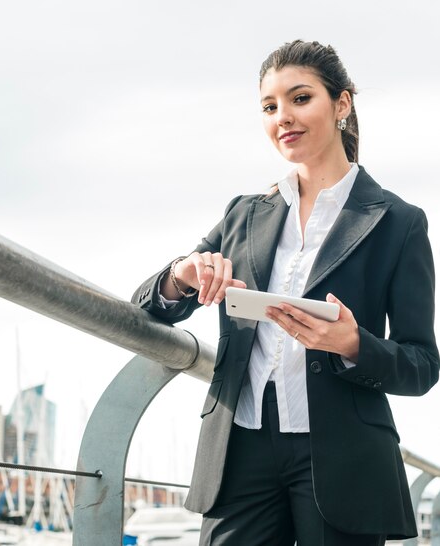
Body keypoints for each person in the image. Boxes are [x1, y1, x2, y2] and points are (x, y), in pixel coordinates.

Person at [131, 40, 439, 545]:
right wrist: (183, 273)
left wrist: (352, 344)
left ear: (342, 104)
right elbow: (147, 305)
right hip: (239, 450)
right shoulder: (245, 213)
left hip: (341, 454)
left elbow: (422, 365)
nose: (283, 118)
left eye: (300, 99)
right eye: (270, 107)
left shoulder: (397, 222)